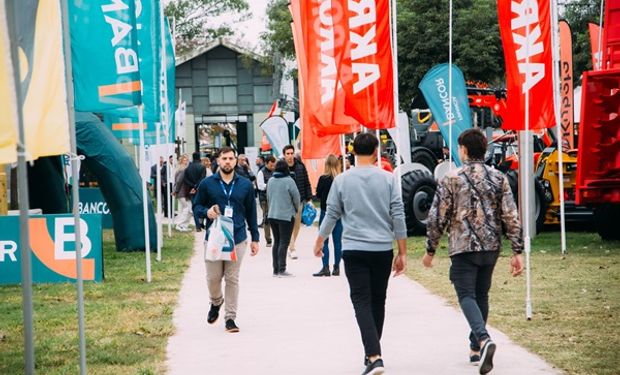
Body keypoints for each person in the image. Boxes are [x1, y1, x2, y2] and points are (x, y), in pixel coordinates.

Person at [423, 128, 524, 375]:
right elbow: (510, 214)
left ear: (464, 150)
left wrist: (430, 249)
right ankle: (475, 349)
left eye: (459, 147)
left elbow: (438, 216)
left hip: (463, 247)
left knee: (466, 295)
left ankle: (482, 338)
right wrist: (517, 250)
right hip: (490, 247)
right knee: (482, 295)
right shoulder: (498, 177)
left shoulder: (452, 178)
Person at [313, 132, 407, 375]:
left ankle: (374, 355)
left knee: (361, 301)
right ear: (376, 151)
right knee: (378, 300)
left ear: (353, 152)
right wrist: (402, 252)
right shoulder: (388, 179)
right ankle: (372, 353)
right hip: (382, 249)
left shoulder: (342, 181)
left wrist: (320, 240)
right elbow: (398, 215)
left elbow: (331, 213)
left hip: (354, 249)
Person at [194, 147, 260, 333]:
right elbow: (196, 206)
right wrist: (206, 212)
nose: (228, 162)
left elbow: (251, 212)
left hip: (237, 238)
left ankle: (230, 318)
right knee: (213, 278)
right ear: (218, 160)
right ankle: (216, 301)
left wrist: (255, 237)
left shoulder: (245, 184)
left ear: (236, 161)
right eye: (224, 158)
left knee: (232, 278)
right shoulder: (207, 184)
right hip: (214, 237)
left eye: (231, 158)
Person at [267, 159, 300, 277]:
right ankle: (282, 269)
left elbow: (268, 197)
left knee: (276, 241)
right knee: (284, 242)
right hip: (286, 216)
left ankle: (275, 270)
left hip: (272, 215)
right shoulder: (289, 181)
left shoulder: (270, 180)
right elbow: (296, 198)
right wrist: (296, 210)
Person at [313, 154, 343, 277]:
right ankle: (337, 267)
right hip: (339, 214)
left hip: (326, 212)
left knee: (324, 240)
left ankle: (325, 267)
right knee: (338, 241)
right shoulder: (341, 179)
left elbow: (318, 195)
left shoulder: (323, 179)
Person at [283, 145, 312, 259]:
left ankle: (291, 244)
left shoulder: (300, 166)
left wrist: (309, 198)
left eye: (291, 153)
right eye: (288, 153)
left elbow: (306, 182)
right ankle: (292, 248)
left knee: (297, 225)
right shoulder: (281, 167)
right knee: (289, 224)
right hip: (286, 201)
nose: (290, 156)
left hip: (299, 199)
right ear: (284, 155)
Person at [184, 152, 207, 232]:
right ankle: (202, 222)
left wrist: (192, 187)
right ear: (199, 157)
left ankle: (198, 225)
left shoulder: (187, 168)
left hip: (191, 190)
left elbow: (185, 179)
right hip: (200, 189)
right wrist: (196, 187)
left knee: (195, 207)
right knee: (203, 205)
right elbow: (202, 179)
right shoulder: (202, 167)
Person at [256, 155, 276, 247]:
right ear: (266, 163)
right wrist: (270, 185)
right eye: (271, 165)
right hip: (264, 199)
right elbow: (260, 186)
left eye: (274, 165)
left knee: (276, 218)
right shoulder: (261, 172)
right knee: (267, 218)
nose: (273, 167)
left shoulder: (275, 171)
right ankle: (268, 239)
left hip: (274, 198)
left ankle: (277, 237)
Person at [173, 154, 192, 232]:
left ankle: (184, 225)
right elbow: (178, 181)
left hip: (186, 192)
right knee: (187, 208)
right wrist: (176, 191)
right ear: (181, 160)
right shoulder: (182, 169)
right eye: (185, 159)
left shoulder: (185, 169)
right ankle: (179, 224)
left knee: (188, 209)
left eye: (187, 159)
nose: (186, 161)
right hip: (182, 192)